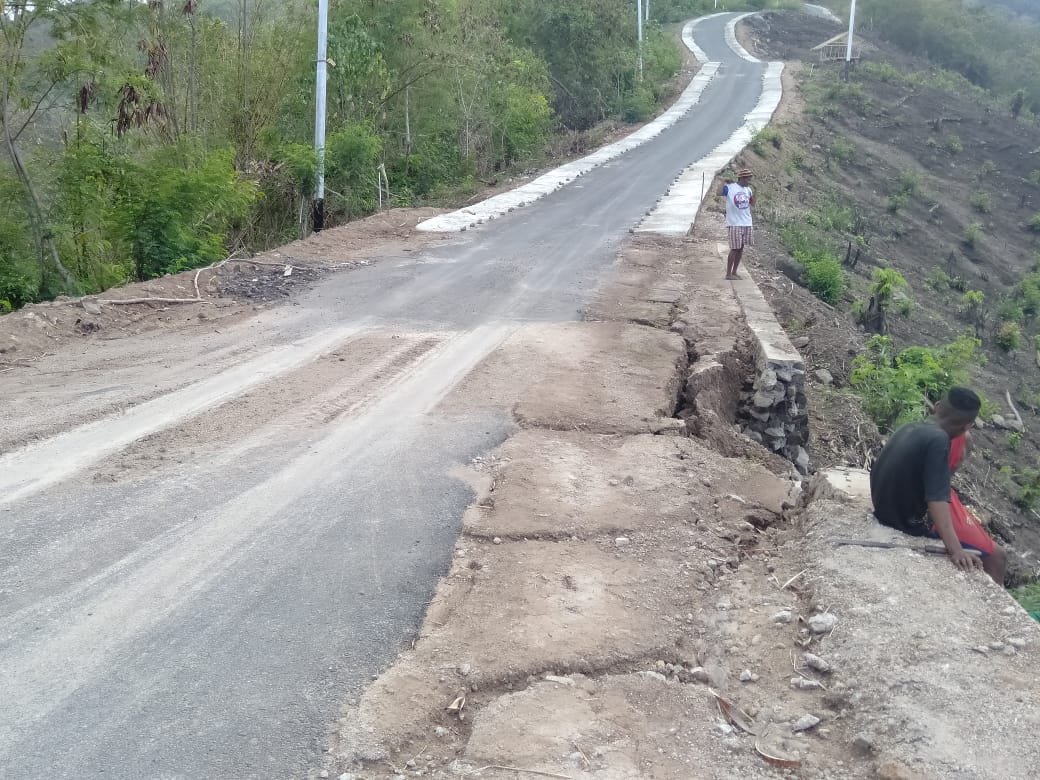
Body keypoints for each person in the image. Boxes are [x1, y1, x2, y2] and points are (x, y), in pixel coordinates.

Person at [870, 387, 1007, 584]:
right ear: (967, 425)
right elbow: (936, 498)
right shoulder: (939, 440)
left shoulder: (911, 427)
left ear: (937, 406)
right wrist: (956, 550)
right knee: (998, 556)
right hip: (905, 523)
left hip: (883, 509)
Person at [717, 168, 755, 280]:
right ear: (742, 178)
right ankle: (728, 274)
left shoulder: (748, 189)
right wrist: (723, 181)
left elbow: (752, 204)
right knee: (734, 248)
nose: (750, 180)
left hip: (746, 222)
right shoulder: (730, 187)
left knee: (741, 248)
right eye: (748, 178)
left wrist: (754, 192)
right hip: (734, 223)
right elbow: (718, 193)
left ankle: (734, 272)